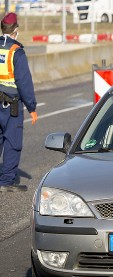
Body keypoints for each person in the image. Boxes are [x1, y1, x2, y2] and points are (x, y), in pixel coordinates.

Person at [0, 13, 38, 193]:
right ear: (16, 30)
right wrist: (32, 107)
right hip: (11, 106)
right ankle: (6, 181)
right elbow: (24, 82)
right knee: (13, 142)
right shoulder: (17, 51)